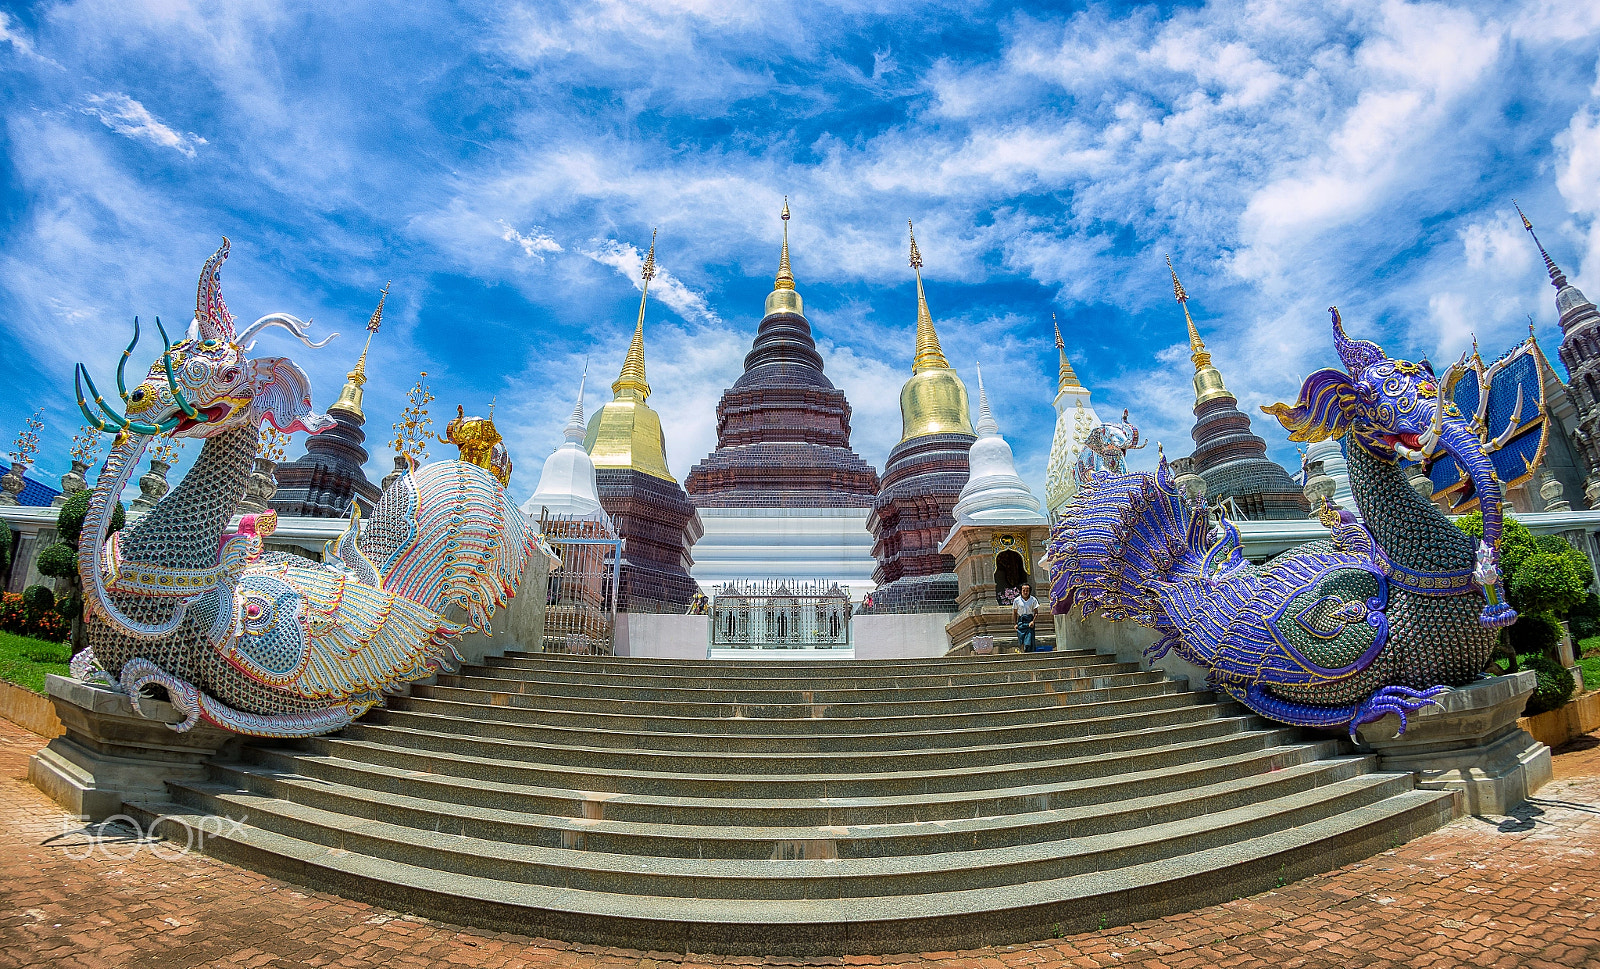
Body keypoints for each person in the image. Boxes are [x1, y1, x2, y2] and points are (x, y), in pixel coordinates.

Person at [1013, 583, 1042, 652]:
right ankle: (1023, 653)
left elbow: (1036, 613)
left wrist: (1033, 621)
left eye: (1027, 590)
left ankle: (1029, 653)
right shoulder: (1017, 600)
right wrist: (1015, 624)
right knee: (1021, 639)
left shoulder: (1033, 600)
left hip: (1029, 621)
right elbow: (1014, 613)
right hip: (1021, 621)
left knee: (1029, 641)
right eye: (1024, 590)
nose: (1025, 592)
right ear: (1021, 591)